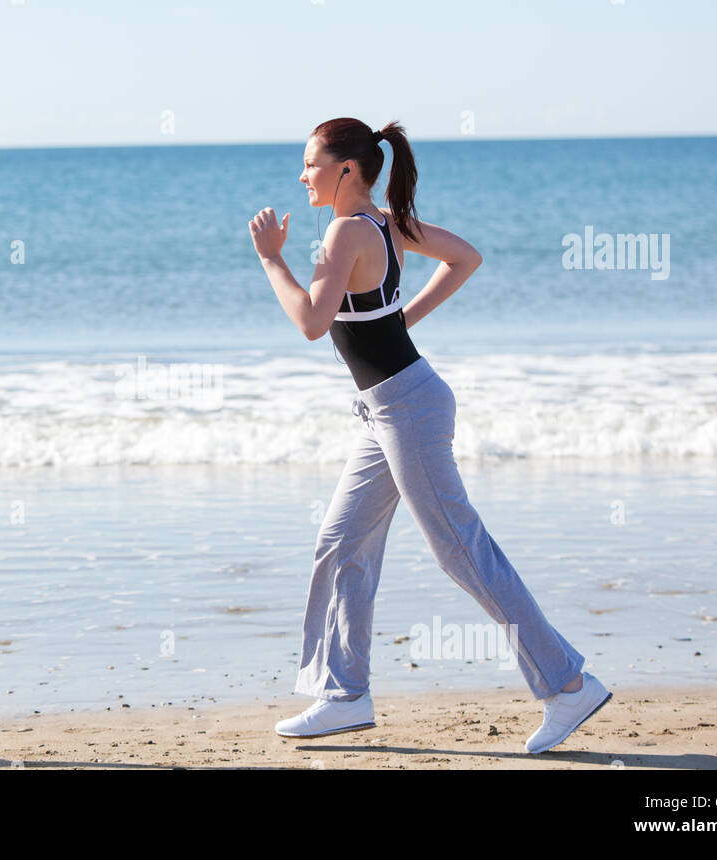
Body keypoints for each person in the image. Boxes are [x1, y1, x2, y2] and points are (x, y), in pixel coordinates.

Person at [247, 117, 610, 754]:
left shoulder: (341, 234)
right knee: (340, 542)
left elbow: (310, 321)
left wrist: (273, 259)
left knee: (460, 551)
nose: (302, 176)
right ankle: (343, 694)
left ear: (346, 171)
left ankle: (566, 684)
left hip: (407, 410)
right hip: (387, 409)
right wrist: (397, 320)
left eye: (310, 164)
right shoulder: (385, 223)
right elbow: (465, 257)